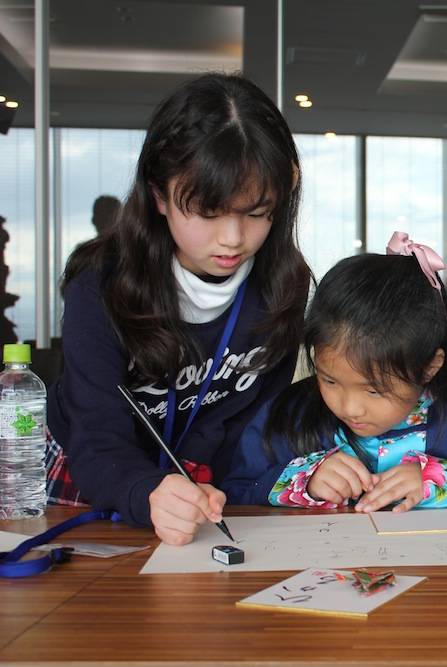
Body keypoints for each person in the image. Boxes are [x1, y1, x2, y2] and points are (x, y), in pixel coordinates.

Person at [45, 73, 312, 546]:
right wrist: (146, 490)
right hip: (95, 476)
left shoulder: (281, 288)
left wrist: (218, 486)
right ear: (159, 196)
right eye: (208, 212)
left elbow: (252, 425)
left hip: (201, 494)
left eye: (257, 212)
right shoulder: (102, 287)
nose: (233, 239)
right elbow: (96, 435)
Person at [223, 233, 447, 511]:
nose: (350, 407)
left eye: (374, 389)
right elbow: (235, 496)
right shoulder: (287, 417)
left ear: (430, 367)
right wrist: (303, 480)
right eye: (329, 379)